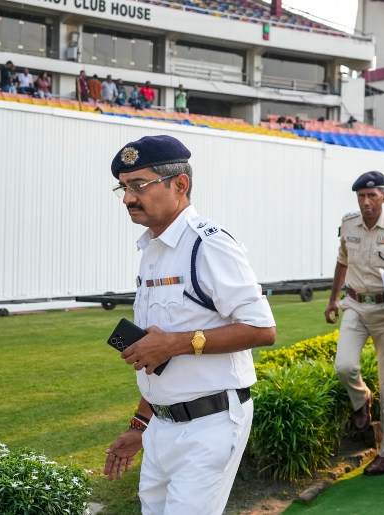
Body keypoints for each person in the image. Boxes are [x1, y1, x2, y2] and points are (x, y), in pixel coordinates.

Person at [102, 135, 277, 514]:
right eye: (124, 187)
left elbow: (262, 329)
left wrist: (176, 343)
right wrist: (139, 425)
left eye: (139, 185)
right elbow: (156, 355)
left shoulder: (208, 245)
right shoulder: (152, 250)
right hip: (161, 427)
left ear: (179, 185)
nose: (128, 198)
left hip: (209, 425)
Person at [325, 171, 384, 476]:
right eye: (361, 197)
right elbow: (342, 261)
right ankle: (361, 399)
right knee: (344, 366)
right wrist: (333, 300)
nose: (366, 202)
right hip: (354, 305)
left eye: (372, 196)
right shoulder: (348, 223)